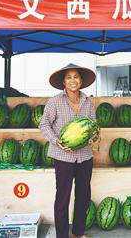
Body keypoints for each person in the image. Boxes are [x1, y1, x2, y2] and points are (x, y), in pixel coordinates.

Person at [39, 63, 97, 238]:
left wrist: (95, 136)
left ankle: (78, 233)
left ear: (81, 80)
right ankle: (62, 235)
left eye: (76, 77)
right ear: (64, 82)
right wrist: (56, 141)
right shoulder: (55, 101)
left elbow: (94, 126)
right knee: (63, 198)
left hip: (85, 156)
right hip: (63, 156)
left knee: (83, 196)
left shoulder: (88, 102)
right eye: (69, 77)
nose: (73, 80)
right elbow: (43, 124)